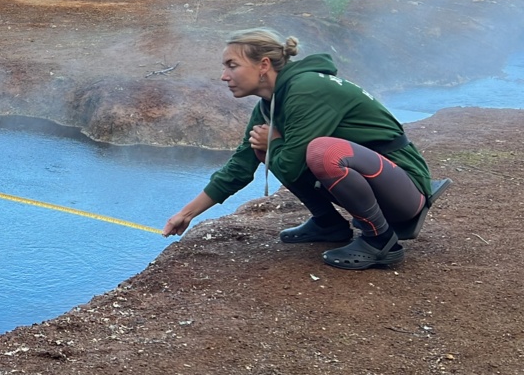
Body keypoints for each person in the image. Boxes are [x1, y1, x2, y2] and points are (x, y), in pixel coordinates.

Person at [163, 28, 447, 270]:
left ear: (263, 65)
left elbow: (290, 163)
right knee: (264, 145)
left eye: (232, 65)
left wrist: (274, 142)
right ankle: (328, 224)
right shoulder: (269, 104)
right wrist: (186, 214)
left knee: (323, 152)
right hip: (383, 187)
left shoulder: (306, 89)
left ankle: (380, 240)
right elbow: (240, 167)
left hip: (406, 189)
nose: (224, 76)